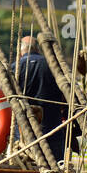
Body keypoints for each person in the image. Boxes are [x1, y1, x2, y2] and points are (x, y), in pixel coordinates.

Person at [14, 36, 70, 164]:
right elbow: (66, 96)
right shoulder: (54, 67)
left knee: (22, 171)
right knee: (56, 172)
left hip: (23, 134)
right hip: (53, 131)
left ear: (20, 51)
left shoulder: (15, 68)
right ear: (37, 49)